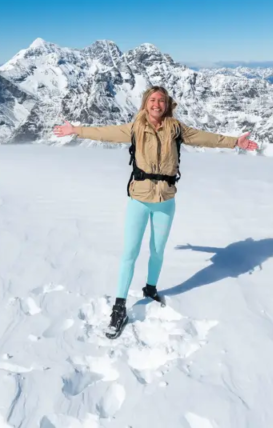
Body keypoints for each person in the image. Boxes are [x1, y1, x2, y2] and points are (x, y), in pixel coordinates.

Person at [52, 85, 258, 339]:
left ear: (167, 104)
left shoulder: (176, 128)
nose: (156, 104)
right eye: (152, 100)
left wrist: (234, 142)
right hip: (139, 199)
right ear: (145, 103)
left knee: (157, 250)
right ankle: (119, 307)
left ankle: (150, 289)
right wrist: (76, 130)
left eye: (161, 100)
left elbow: (204, 137)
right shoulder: (135, 128)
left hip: (165, 200)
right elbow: (105, 133)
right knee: (130, 253)